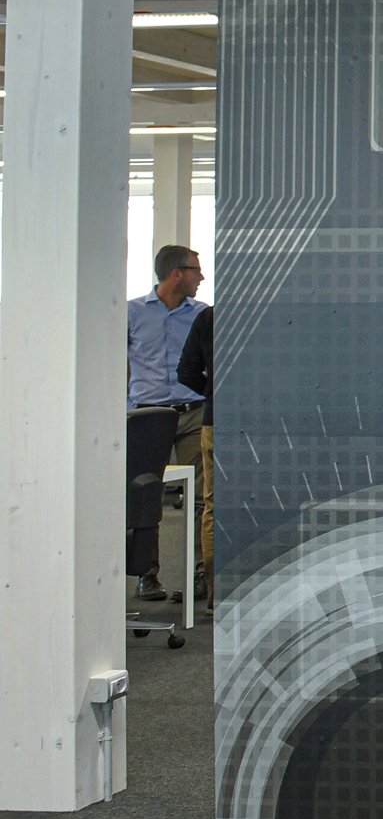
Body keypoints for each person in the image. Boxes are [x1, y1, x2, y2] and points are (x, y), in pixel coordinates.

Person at [127, 244, 208, 601]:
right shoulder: (131, 313)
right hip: (147, 415)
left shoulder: (202, 314)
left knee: (202, 498)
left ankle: (201, 575)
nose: (201, 277)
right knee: (146, 496)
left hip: (193, 412)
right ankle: (147, 575)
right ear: (177, 273)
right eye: (196, 270)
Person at [177, 304, 215, 612]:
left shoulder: (209, 316)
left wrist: (213, 390)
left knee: (213, 505)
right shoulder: (273, 312)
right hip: (267, 420)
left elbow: (186, 372)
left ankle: (217, 594)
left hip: (216, 419)